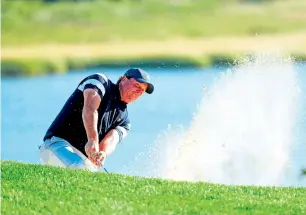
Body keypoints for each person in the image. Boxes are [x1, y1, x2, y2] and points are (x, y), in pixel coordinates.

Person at [39, 68, 154, 172]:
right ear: (124, 79)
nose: (139, 92)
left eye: (142, 90)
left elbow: (111, 140)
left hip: (83, 159)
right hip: (56, 144)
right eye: (137, 85)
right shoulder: (100, 81)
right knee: (81, 169)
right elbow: (90, 108)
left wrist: (102, 153)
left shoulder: (125, 121)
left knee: (90, 178)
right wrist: (92, 140)